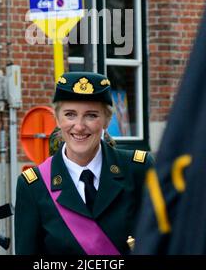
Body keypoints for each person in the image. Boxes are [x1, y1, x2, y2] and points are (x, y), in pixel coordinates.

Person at [15, 72, 153, 255]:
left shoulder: (138, 169)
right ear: (57, 119)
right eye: (70, 115)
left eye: (91, 115)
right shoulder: (33, 186)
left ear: (107, 120)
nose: (79, 126)